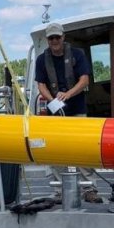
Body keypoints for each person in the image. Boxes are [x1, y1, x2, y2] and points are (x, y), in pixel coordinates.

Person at [34, 21, 100, 202]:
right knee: (55, 150)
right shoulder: (41, 60)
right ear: (48, 40)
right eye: (51, 38)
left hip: (77, 109)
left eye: (57, 37)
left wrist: (68, 95)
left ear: (63, 37)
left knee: (83, 149)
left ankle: (89, 189)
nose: (54, 40)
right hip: (55, 113)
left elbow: (84, 80)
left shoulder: (77, 55)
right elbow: (41, 84)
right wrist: (52, 100)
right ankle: (58, 190)